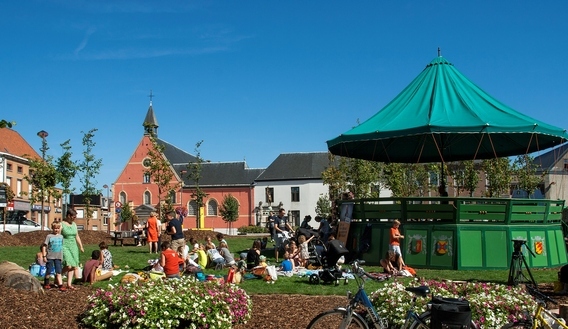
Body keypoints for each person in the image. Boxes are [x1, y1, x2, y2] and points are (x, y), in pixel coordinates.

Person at [61, 208, 84, 290]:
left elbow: (76, 236)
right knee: (68, 265)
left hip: (73, 246)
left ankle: (69, 284)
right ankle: (59, 276)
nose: (74, 218)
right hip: (65, 245)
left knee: (74, 266)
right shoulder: (62, 224)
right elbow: (58, 234)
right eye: (73, 217)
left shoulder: (74, 225)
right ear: (68, 216)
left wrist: (80, 246)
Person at [42, 222, 64, 290]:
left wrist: (62, 256)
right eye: (55, 228)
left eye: (58, 228)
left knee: (58, 271)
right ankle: (46, 282)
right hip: (50, 256)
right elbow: (44, 246)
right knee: (49, 270)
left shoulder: (61, 236)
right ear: (52, 228)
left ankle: (60, 285)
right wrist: (44, 256)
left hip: (58, 257)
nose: (56, 230)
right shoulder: (49, 236)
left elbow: (62, 247)